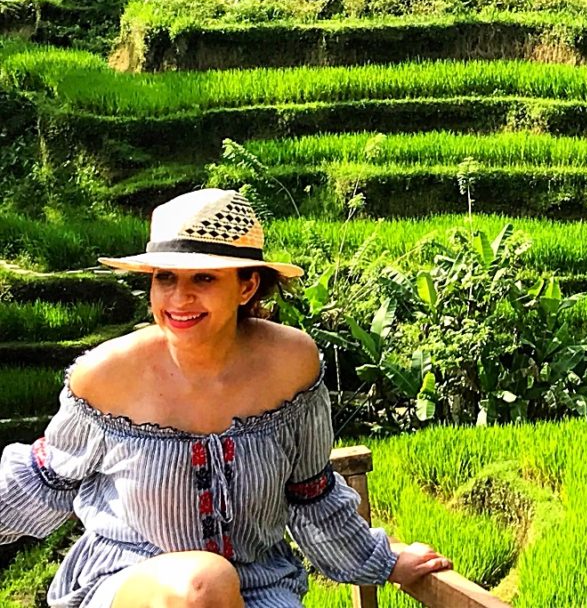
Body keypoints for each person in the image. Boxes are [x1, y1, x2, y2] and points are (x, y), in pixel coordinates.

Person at [0, 189, 451, 608]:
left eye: (204, 278)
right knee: (202, 582)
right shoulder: (105, 374)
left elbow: (310, 492)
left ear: (247, 286)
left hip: (259, 586)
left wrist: (386, 563)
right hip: (128, 583)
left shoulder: (290, 364)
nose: (179, 298)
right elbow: (44, 479)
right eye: (165, 278)